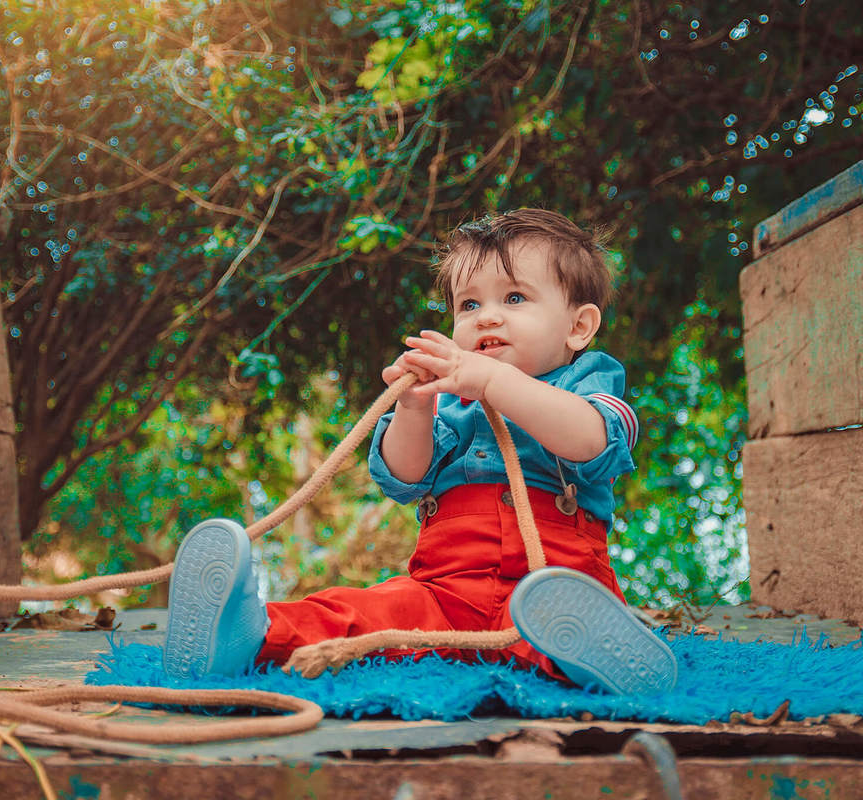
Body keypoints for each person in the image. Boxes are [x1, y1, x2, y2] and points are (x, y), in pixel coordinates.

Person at [163, 209, 677, 695]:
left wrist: (495, 381)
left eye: (514, 298)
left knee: (542, 637)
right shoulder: (448, 399)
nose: (486, 318)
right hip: (443, 590)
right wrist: (413, 409)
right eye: (469, 305)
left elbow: (592, 439)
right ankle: (249, 633)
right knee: (366, 612)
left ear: (578, 327)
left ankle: (595, 656)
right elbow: (405, 478)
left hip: (551, 590)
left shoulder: (589, 382)